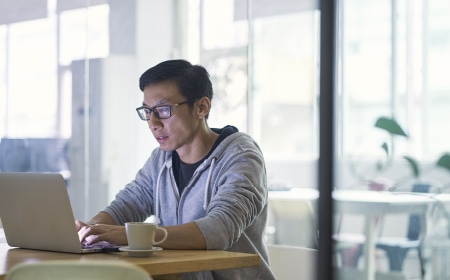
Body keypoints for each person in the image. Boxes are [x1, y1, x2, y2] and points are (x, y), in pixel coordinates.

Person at [76, 59, 275, 279]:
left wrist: (129, 235)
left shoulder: (241, 156)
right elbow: (127, 204)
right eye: (147, 111)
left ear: (201, 107)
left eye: (162, 109)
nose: (153, 122)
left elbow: (218, 229)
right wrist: (89, 230)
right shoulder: (160, 159)